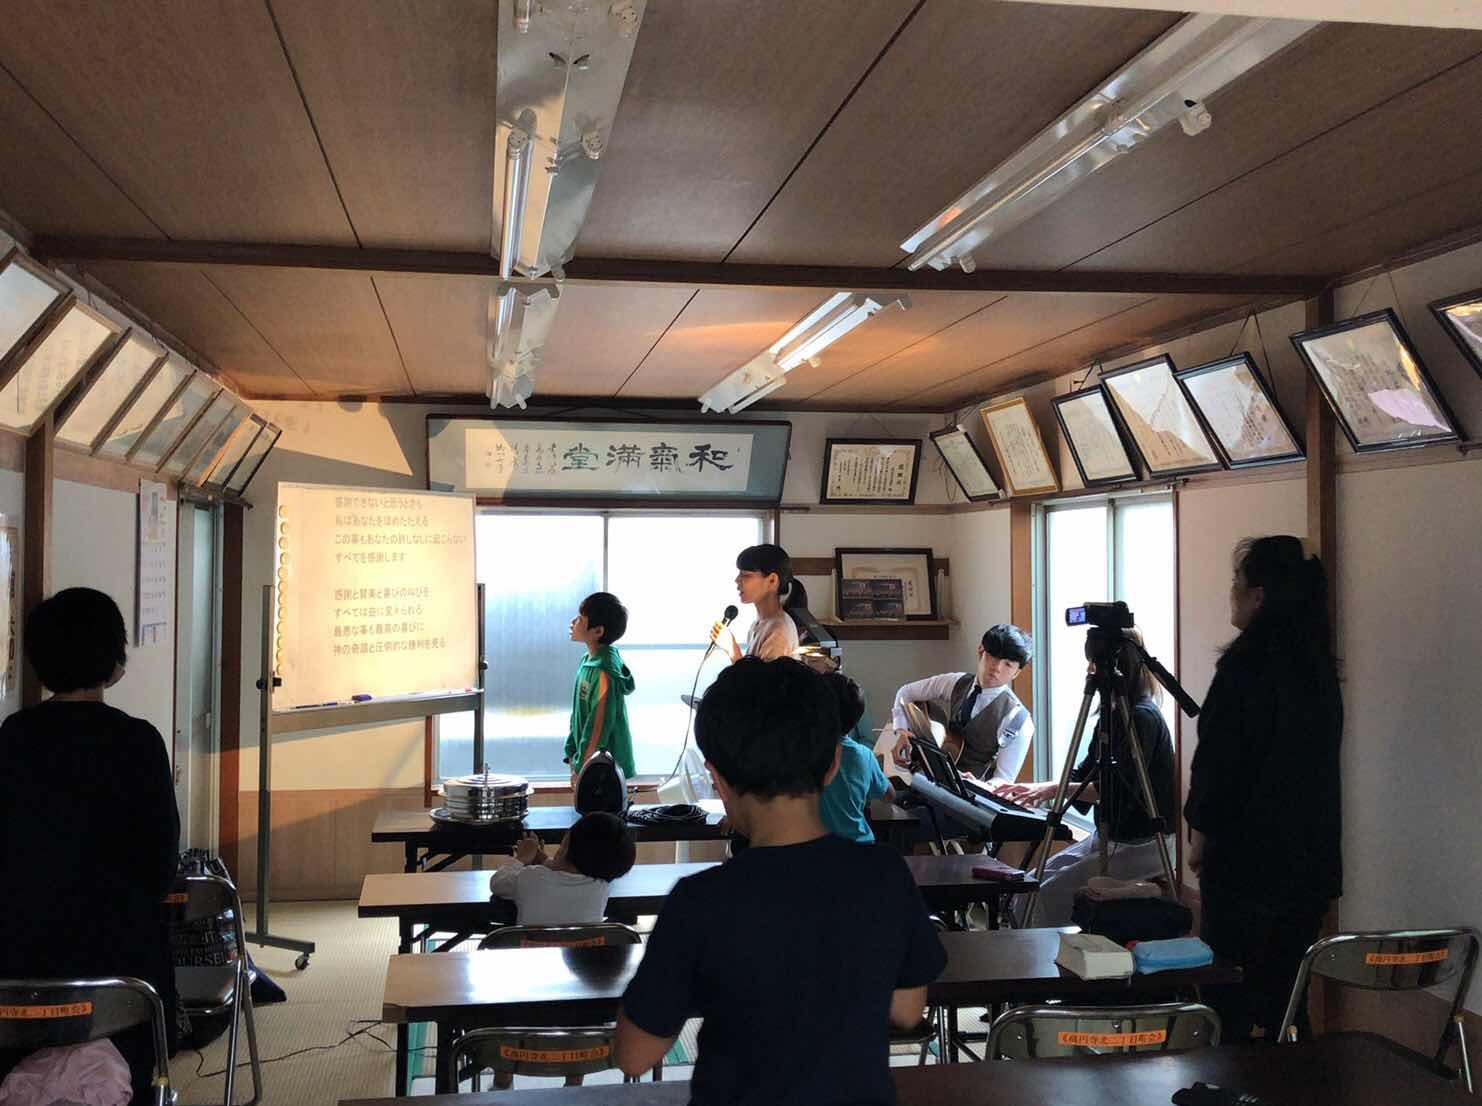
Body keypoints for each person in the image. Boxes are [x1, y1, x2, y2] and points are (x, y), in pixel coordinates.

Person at [614, 658, 946, 1103]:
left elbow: (634, 1055)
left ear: (717, 779)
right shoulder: (885, 874)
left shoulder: (698, 901)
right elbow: (906, 1010)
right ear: (833, 764)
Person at [0, 589, 180, 1106]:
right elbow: (160, 868)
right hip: (123, 979)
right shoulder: (138, 742)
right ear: (114, 659)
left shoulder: (11, 738)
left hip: (19, 973)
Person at [1185, 536, 1342, 1043]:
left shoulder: (1244, 668)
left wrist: (1200, 835)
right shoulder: (1319, 669)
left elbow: (1218, 765)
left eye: (1237, 582)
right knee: (1287, 997)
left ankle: (1227, 1079)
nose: (1230, 592)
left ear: (1258, 596)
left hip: (1245, 862)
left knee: (1228, 996)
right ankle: (1293, 1076)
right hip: (1309, 861)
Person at [991, 628, 1176, 924]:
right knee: (1030, 884)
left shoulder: (1142, 717)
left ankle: (1044, 952)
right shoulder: (1111, 714)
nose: (1090, 670)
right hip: (1109, 836)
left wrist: (1054, 789)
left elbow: (1115, 789)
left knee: (1043, 896)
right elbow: (1086, 772)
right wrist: (1037, 789)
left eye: (1094, 663)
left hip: (1142, 843)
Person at [888, 623, 1035, 782]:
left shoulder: (1018, 720)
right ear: (981, 651)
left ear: (1016, 673)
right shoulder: (956, 682)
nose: (997, 668)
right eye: (993, 656)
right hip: (928, 777)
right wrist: (902, 732)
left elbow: (1004, 780)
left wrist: (978, 785)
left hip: (970, 793)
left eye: (1008, 664)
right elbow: (905, 692)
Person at [488, 811, 637, 926]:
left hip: (533, 955)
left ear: (564, 848)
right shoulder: (601, 887)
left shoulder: (530, 877)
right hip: (582, 955)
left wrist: (521, 858)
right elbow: (567, 873)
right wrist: (544, 861)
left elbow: (498, 883)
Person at [563, 592, 636, 783]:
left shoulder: (604, 672)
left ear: (598, 631)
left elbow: (598, 727)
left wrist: (582, 766)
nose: (573, 622)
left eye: (580, 619)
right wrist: (571, 752)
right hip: (590, 761)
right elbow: (578, 715)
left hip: (604, 767)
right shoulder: (587, 661)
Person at [818, 671, 891, 844]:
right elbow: (889, 796)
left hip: (817, 848)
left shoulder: (804, 753)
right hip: (860, 845)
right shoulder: (865, 756)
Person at [710, 543, 801, 662]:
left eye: (745, 575)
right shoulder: (759, 624)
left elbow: (758, 675)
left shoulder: (779, 630)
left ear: (772, 580)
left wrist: (732, 650)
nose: (737, 580)